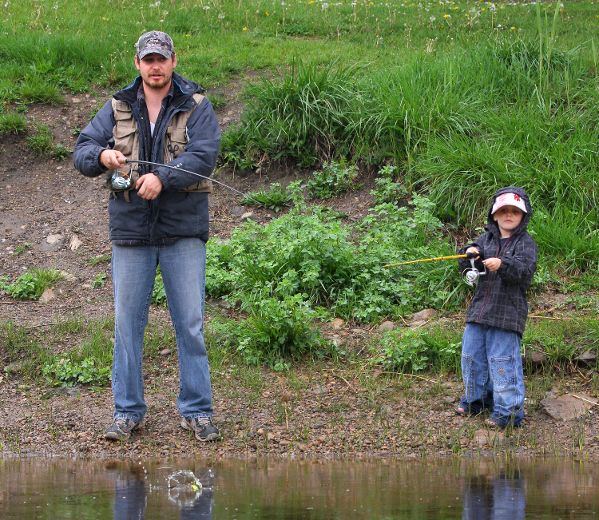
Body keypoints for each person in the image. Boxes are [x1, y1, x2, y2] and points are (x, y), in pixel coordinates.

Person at [73, 30, 221, 442]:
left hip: (183, 232)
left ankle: (197, 411)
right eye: (148, 59)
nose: (155, 66)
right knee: (127, 325)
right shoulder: (117, 106)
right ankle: (127, 411)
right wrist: (102, 156)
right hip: (131, 233)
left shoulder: (197, 106)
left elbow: (204, 155)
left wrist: (162, 177)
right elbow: (82, 150)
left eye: (162, 59)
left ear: (174, 61)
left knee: (190, 324)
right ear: (137, 63)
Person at [455, 187, 537, 428]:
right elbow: (467, 266)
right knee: (471, 358)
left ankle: (508, 412)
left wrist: (502, 264)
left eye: (514, 211)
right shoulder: (485, 240)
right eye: (503, 211)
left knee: (502, 362)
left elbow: (523, 272)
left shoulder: (526, 244)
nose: (508, 215)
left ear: (523, 215)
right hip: (479, 311)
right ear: (494, 215)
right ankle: (475, 401)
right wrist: (469, 253)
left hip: (508, 314)